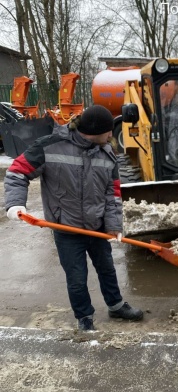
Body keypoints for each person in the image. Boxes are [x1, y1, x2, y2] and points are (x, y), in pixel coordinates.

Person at [4, 105, 143, 331]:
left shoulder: (107, 153)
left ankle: (116, 306)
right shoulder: (50, 146)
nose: (111, 135)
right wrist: (15, 203)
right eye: (108, 131)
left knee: (107, 269)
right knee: (77, 278)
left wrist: (114, 225)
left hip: (97, 226)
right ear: (96, 130)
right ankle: (85, 318)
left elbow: (113, 193)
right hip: (66, 229)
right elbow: (17, 171)